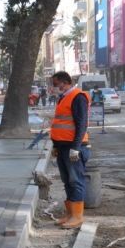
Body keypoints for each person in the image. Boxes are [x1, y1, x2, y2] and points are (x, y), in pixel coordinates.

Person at [50, 71, 90, 229]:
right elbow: (60, 125)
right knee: (67, 181)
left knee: (76, 181)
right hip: (63, 147)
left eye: (55, 84)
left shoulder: (77, 97)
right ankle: (70, 214)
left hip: (74, 147)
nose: (54, 87)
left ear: (64, 81)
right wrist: (55, 146)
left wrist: (75, 147)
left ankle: (77, 216)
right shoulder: (64, 98)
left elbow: (82, 124)